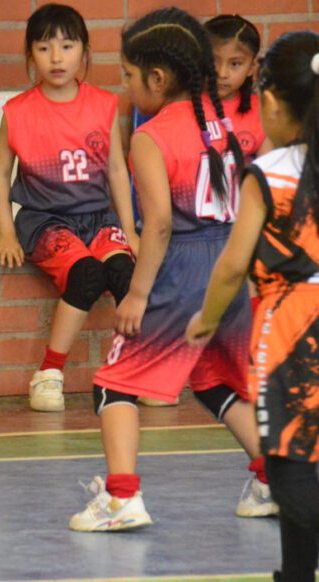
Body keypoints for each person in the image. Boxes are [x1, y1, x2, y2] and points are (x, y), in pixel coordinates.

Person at [69, 7, 275, 533]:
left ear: (157, 78)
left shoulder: (151, 135)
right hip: (231, 265)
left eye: (130, 77)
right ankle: (271, 479)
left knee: (114, 384)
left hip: (181, 267)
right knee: (214, 379)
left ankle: (121, 497)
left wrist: (137, 295)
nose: (127, 87)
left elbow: (157, 225)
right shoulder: (232, 124)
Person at [186, 31, 319, 581]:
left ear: (268, 100)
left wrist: (208, 318)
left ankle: (295, 575)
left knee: (292, 461)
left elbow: (234, 265)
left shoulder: (271, 173)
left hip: (292, 328)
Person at [0, 3, 138, 412]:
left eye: (67, 46)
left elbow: (118, 174)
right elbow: (1, 175)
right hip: (45, 220)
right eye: (44, 48)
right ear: (29, 56)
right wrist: (5, 231)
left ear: (85, 53)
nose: (56, 58)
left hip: (97, 217)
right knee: (88, 275)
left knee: (125, 271)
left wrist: (130, 230)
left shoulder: (104, 105)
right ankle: (48, 374)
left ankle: (132, 372)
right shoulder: (17, 112)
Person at [205, 14, 272, 161]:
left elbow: (265, 175)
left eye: (235, 64)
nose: (222, 73)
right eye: (213, 61)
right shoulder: (183, 105)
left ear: (251, 68)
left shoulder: (262, 112)